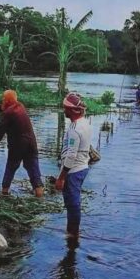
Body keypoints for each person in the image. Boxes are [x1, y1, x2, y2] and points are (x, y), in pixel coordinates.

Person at [0, 90, 44, 198]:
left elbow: (1, 130)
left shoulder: (8, 113)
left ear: (7, 101)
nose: (2, 100)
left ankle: (4, 193)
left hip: (18, 146)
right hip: (31, 144)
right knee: (34, 171)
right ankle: (40, 197)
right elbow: (0, 107)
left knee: (10, 168)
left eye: (3, 98)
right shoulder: (20, 105)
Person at [54, 93, 92, 238]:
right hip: (83, 167)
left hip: (74, 170)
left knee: (72, 203)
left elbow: (71, 156)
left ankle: (73, 234)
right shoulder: (85, 123)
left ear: (72, 110)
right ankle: (73, 232)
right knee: (73, 202)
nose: (64, 111)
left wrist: (61, 178)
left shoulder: (75, 129)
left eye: (65, 108)